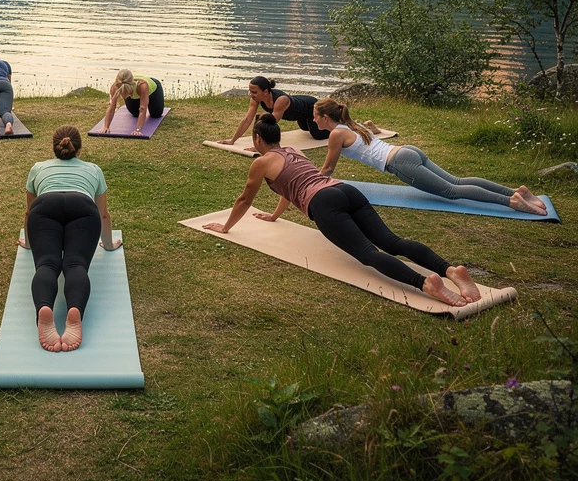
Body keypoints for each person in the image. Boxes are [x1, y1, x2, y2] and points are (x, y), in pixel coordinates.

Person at [203, 114, 481, 307]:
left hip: (324, 203)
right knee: (391, 241)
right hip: (346, 191)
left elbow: (244, 200)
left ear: (257, 138)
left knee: (368, 254)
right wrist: (275, 216)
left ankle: (425, 283)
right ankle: (451, 271)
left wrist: (226, 227)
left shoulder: (261, 163)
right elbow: (291, 186)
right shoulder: (294, 152)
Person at [312, 98, 547, 215]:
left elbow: (328, 170)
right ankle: (516, 191)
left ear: (325, 117)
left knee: (451, 191)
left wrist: (308, 183)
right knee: (456, 181)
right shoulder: (350, 123)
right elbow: (371, 133)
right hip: (408, 151)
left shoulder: (336, 135)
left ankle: (511, 202)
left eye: (315, 116)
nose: (313, 120)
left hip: (399, 163)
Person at [19, 125, 121, 352]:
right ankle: (75, 311)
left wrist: (28, 242)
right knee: (75, 264)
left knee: (46, 263)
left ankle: (44, 308)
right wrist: (109, 245)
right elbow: (103, 214)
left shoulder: (38, 168)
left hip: (44, 207)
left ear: (54, 148)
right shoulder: (94, 169)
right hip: (83, 208)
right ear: (79, 150)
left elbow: (28, 212)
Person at [218, 76, 327, 146]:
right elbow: (247, 119)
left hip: (310, 107)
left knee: (317, 135)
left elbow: (271, 124)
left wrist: (260, 147)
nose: (251, 95)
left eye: (254, 92)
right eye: (250, 91)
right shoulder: (256, 99)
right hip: (300, 114)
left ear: (265, 91)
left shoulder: (281, 100)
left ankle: (337, 125)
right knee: (304, 127)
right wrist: (232, 140)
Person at [100, 69, 164, 136]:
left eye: (126, 91)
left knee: (156, 114)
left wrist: (138, 130)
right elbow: (112, 106)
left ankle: (150, 102)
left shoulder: (142, 86)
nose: (124, 93)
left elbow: (142, 108)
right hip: (134, 92)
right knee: (135, 114)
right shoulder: (115, 86)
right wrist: (106, 127)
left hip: (153, 90)